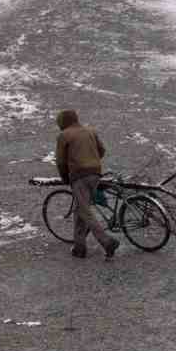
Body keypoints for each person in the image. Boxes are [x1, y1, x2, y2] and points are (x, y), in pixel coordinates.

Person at [54, 109, 118, 259]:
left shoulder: (63, 136)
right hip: (95, 173)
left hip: (79, 176)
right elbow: (102, 151)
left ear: (63, 122)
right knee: (80, 208)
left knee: (85, 211)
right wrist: (91, 159)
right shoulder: (90, 131)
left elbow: (61, 161)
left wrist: (65, 177)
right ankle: (79, 247)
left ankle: (107, 241)